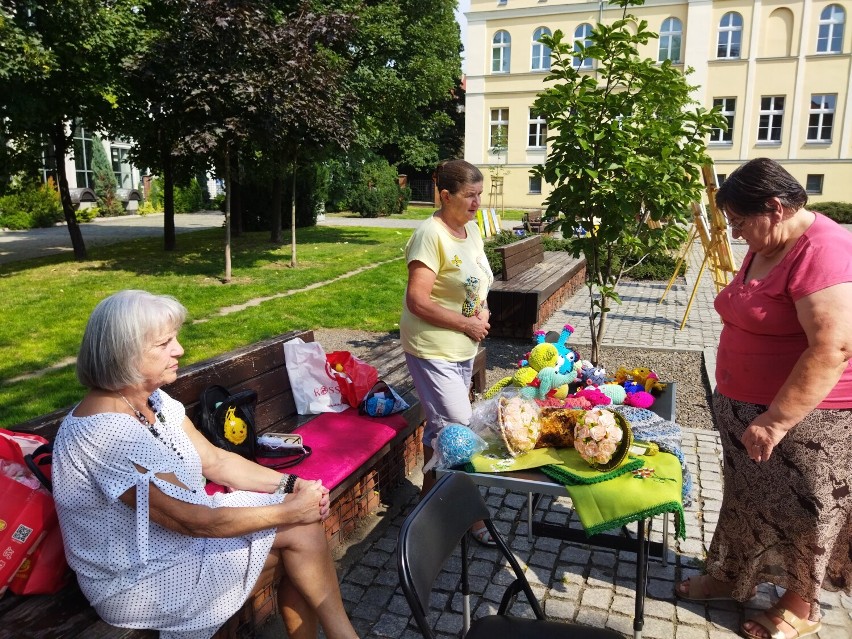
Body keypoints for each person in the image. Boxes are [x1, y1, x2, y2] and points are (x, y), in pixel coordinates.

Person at [52, 290, 359, 639]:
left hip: (177, 544)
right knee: (300, 532)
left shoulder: (153, 401)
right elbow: (192, 522)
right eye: (164, 342)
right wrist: (290, 511)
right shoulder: (101, 434)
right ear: (126, 353)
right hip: (137, 580)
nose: (179, 350)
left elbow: (216, 461)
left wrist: (292, 486)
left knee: (301, 531)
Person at [674, 159, 852, 639]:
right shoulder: (769, 242)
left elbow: (833, 346)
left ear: (774, 208)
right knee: (745, 501)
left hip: (807, 421)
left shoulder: (825, 249)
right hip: (746, 407)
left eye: (739, 221)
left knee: (807, 512)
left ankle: (800, 606)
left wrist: (775, 420)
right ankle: (732, 576)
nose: (734, 233)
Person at [400, 159, 494, 545]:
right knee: (462, 431)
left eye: (479, 196)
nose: (476, 204)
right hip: (433, 348)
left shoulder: (470, 230)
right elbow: (417, 301)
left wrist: (481, 311)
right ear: (445, 195)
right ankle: (471, 518)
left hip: (461, 347)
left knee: (441, 429)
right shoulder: (429, 235)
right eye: (469, 196)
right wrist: (466, 324)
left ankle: (424, 512)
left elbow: (476, 281)